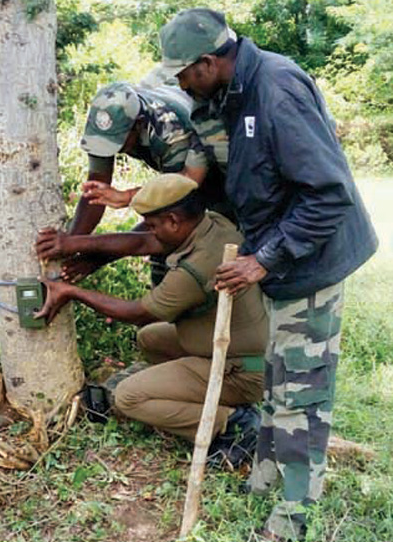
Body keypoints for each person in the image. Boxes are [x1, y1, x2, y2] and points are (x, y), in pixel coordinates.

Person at [158, 8, 378, 540]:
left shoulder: (275, 88)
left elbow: (328, 194)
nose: (182, 84)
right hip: (282, 261)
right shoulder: (233, 94)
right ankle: (267, 477)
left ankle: (293, 516)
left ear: (208, 62)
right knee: (278, 379)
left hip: (312, 264)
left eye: (183, 73)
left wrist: (262, 259)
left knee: (303, 393)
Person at [36, 174, 267, 465]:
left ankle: (234, 423)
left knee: (128, 397)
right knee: (151, 339)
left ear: (173, 220)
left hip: (241, 370)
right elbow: (140, 243)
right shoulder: (210, 225)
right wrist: (73, 244)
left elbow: (138, 313)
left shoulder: (198, 268)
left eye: (155, 225)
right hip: (231, 348)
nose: (152, 232)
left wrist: (71, 292)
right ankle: (195, 395)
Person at [36, 81, 226, 284]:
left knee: (193, 244)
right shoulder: (107, 125)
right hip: (180, 175)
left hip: (217, 171)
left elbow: (170, 209)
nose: (112, 151)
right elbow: (95, 193)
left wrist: (93, 258)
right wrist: (68, 245)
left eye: (118, 142)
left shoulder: (171, 133)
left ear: (138, 124)